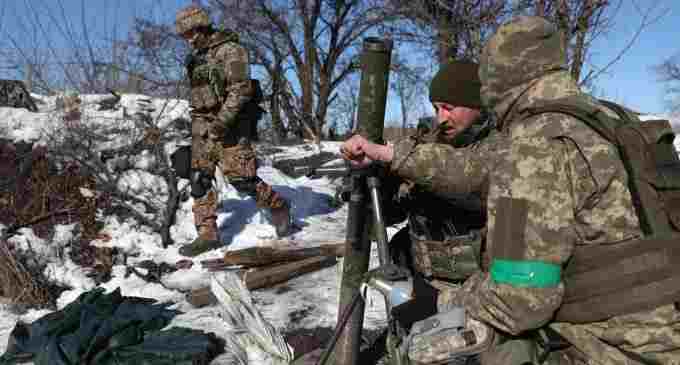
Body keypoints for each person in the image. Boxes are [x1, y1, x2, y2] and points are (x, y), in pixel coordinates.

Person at [342, 15, 680, 365]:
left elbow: (518, 298)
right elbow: (468, 168)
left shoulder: (532, 145)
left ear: (493, 81)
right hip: (664, 327)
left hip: (610, 346)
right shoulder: (610, 120)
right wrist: (392, 155)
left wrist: (434, 304)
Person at [175, 5, 291, 257]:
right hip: (201, 125)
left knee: (242, 180)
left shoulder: (231, 49)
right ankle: (208, 235)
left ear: (201, 27)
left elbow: (241, 90)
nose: (189, 39)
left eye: (191, 33)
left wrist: (221, 123)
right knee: (199, 179)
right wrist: (200, 126)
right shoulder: (195, 58)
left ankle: (279, 206)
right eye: (185, 35)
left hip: (231, 124)